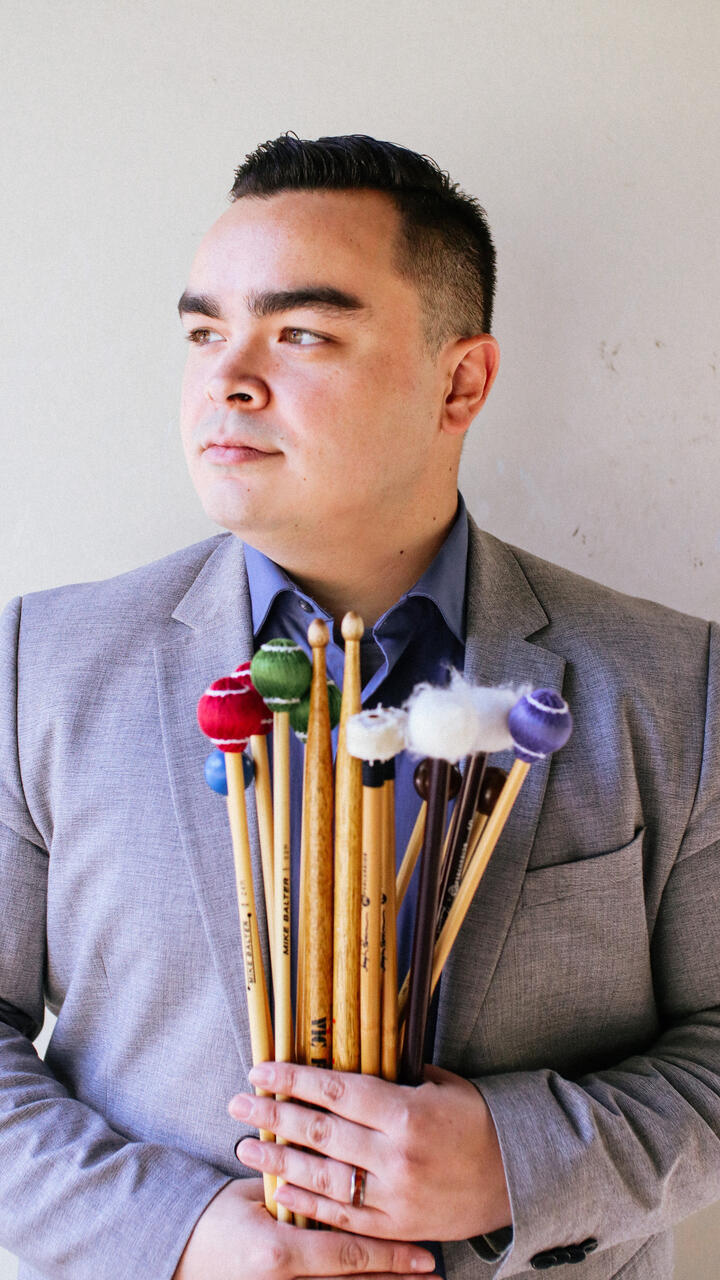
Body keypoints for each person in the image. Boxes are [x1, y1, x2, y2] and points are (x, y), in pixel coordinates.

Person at [0, 133, 718, 1280]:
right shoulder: (39, 662)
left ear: (461, 382)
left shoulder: (679, 681)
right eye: (203, 332)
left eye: (301, 333)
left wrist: (519, 1161)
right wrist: (178, 1233)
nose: (228, 377)